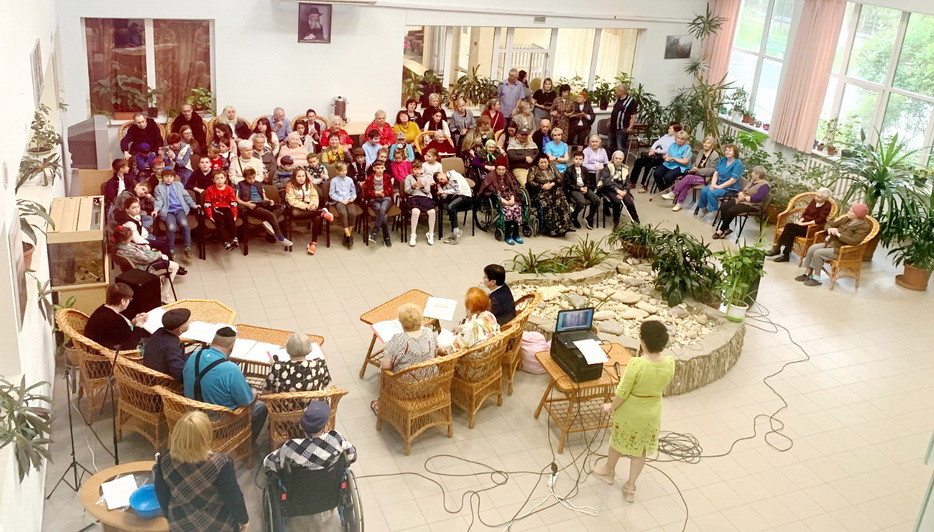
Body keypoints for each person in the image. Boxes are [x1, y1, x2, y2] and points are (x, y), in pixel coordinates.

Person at [594, 320, 676, 503]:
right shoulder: (669, 363)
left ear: (643, 341)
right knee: (641, 449)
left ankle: (609, 471)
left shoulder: (636, 364)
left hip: (631, 410)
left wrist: (610, 407)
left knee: (617, 441)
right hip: (652, 411)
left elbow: (622, 393)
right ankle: (630, 486)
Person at [153, 411, 249, 532]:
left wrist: (169, 517)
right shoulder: (221, 463)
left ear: (176, 435)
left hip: (181, 522)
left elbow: (161, 493)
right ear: (206, 437)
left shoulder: (164, 459)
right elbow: (232, 497)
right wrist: (244, 519)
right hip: (216, 524)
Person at [183, 327, 268, 442]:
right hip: (218, 424)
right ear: (231, 348)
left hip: (192, 415)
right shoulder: (231, 369)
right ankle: (247, 443)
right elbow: (246, 401)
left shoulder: (195, 355)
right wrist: (254, 392)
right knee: (260, 407)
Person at [373, 303, 440, 413]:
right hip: (431, 384)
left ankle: (380, 405)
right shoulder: (429, 333)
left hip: (405, 389)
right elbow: (436, 350)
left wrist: (384, 359)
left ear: (402, 323)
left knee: (382, 370)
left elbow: (386, 365)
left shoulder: (399, 339)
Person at [797, 204, 872, 287]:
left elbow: (855, 241)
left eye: (851, 211)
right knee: (812, 248)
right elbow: (830, 223)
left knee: (818, 253)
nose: (848, 212)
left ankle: (817, 278)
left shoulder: (864, 227)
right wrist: (830, 228)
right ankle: (807, 273)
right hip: (831, 243)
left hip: (842, 250)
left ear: (857, 215)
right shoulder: (846, 219)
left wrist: (838, 234)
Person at [111, 226, 185, 303]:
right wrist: (157, 254)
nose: (131, 239)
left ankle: (159, 286)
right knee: (175, 266)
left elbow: (139, 251)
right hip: (145, 269)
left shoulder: (120, 247)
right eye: (130, 238)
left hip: (141, 265)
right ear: (123, 240)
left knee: (165, 257)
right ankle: (163, 294)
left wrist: (149, 251)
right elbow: (146, 259)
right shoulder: (127, 250)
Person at [767, 188, 834, 263]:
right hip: (802, 225)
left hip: (811, 229)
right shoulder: (814, 201)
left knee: (789, 227)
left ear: (825, 199)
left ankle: (778, 248)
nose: (816, 198)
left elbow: (819, 220)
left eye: (819, 197)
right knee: (791, 232)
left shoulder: (827, 205)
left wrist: (803, 224)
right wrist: (800, 221)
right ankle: (785, 254)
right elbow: (805, 213)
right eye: (816, 195)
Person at [235, 167, 292, 249]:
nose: (252, 180)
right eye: (249, 178)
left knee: (281, 206)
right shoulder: (240, 184)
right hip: (251, 206)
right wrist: (246, 204)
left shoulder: (258, 184)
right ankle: (281, 238)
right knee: (269, 215)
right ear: (244, 177)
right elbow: (237, 199)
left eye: (253, 177)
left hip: (262, 203)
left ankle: (268, 222)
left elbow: (264, 197)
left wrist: (269, 201)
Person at [84, 282, 151, 351]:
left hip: (96, 348)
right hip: (110, 353)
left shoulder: (101, 310)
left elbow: (120, 332)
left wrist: (135, 321)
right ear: (123, 301)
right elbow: (131, 345)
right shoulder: (116, 321)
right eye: (129, 299)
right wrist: (139, 324)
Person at [662, 135, 721, 212]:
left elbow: (712, 170)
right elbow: (695, 163)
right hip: (695, 175)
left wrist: (697, 170)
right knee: (687, 183)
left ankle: (674, 193)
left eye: (708, 143)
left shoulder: (715, 156)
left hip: (706, 178)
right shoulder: (701, 152)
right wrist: (692, 169)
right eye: (704, 142)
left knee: (688, 178)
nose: (705, 144)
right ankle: (679, 204)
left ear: (712, 145)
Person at [713, 165, 771, 239]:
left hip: (753, 205)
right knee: (724, 206)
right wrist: (740, 192)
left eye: (753, 172)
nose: (751, 173)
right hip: (741, 200)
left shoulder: (765, 185)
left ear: (758, 175)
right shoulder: (752, 181)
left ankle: (721, 230)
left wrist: (747, 198)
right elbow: (742, 189)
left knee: (731, 211)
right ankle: (726, 228)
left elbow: (759, 198)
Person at [286, 167, 334, 255]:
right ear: (294, 177)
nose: (301, 178)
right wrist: (306, 206)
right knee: (295, 213)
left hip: (310, 207)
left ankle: (313, 243)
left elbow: (314, 196)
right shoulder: (290, 185)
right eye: (299, 176)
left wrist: (313, 204)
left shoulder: (310, 184)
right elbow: (292, 201)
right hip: (297, 207)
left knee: (317, 218)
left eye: (303, 176)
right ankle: (321, 212)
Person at [153, 170, 198, 260]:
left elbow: (186, 197)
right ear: (162, 178)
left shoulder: (178, 185)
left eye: (171, 177)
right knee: (171, 227)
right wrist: (156, 209)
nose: (168, 179)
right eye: (166, 177)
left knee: (184, 225)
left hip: (180, 210)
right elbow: (159, 200)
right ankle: (171, 249)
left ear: (174, 178)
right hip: (168, 211)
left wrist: (193, 205)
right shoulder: (159, 188)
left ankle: (187, 247)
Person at [264, 333, 331, 393]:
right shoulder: (320, 364)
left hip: (283, 403)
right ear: (309, 348)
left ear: (288, 348)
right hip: (314, 403)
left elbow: (266, 390)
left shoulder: (277, 367)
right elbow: (325, 382)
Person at [479, 162, 525, 245]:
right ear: (496, 169)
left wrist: (512, 199)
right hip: (498, 199)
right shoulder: (491, 177)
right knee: (508, 210)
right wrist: (505, 201)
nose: (501, 171)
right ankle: (507, 234)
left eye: (503, 169)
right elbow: (491, 192)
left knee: (517, 208)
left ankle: (516, 233)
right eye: (499, 169)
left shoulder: (508, 176)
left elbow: (513, 189)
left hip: (509, 198)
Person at [527, 154, 572, 237]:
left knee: (562, 203)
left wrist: (552, 184)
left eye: (545, 162)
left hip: (553, 189)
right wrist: (541, 186)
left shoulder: (552, 167)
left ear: (548, 162)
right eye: (541, 162)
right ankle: (551, 230)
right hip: (540, 191)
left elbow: (560, 178)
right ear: (538, 163)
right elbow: (530, 181)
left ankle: (564, 227)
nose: (543, 164)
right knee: (550, 204)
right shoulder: (534, 169)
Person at [629, 122, 682, 192]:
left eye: (670, 129)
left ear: (676, 131)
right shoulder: (666, 136)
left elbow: (668, 150)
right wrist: (652, 149)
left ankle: (645, 185)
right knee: (638, 162)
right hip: (654, 153)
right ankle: (632, 182)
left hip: (662, 157)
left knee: (648, 166)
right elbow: (657, 142)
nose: (668, 130)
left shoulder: (675, 140)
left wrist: (657, 151)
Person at [696, 144, 745, 218]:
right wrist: (713, 184)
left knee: (711, 193)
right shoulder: (723, 160)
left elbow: (732, 180)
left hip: (729, 188)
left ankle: (715, 213)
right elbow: (716, 173)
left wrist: (719, 187)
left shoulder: (738, 164)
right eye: (726, 150)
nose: (727, 152)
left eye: (730, 150)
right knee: (704, 190)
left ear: (734, 153)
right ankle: (704, 209)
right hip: (718, 184)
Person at [143, 308, 190, 382]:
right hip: (162, 380)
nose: (188, 323)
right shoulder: (171, 346)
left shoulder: (160, 331)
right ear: (180, 329)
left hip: (154, 369)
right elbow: (178, 373)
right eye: (186, 323)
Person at [451, 287, 501, 352]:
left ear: (470, 308)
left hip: (475, 356)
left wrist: (440, 348)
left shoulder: (469, 330)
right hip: (494, 352)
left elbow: (452, 350)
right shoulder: (489, 315)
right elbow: (479, 326)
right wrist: (462, 327)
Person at [599, 150, 640, 226]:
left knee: (629, 202)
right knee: (617, 202)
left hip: (622, 189)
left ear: (622, 159)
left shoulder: (625, 168)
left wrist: (624, 191)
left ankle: (636, 220)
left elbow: (628, 182)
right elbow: (606, 181)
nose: (618, 160)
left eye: (620, 159)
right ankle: (616, 222)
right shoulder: (608, 167)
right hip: (610, 188)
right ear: (613, 158)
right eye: (616, 158)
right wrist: (617, 190)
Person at [203, 170, 239, 251]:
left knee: (230, 220)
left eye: (221, 178)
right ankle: (226, 241)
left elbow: (233, 203)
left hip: (227, 208)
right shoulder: (210, 189)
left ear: (225, 178)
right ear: (213, 180)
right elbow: (207, 203)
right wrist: (210, 215)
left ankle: (234, 238)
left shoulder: (229, 189)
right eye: (217, 178)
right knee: (220, 222)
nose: (219, 180)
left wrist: (234, 214)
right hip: (216, 209)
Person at [403, 160, 437, 246]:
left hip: (424, 198)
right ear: (412, 170)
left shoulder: (426, 178)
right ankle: (413, 234)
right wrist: (412, 187)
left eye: (419, 169)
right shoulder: (408, 177)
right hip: (413, 198)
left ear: (422, 169)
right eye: (415, 169)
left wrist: (422, 186)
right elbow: (406, 191)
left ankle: (430, 233)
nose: (417, 171)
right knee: (415, 211)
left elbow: (428, 190)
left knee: (432, 212)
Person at [565, 152, 600, 230]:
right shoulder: (569, 170)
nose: (578, 161)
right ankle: (574, 216)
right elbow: (568, 184)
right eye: (576, 159)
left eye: (580, 159)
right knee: (581, 202)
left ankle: (590, 217)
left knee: (597, 200)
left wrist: (586, 187)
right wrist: (579, 188)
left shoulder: (584, 169)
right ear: (573, 159)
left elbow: (588, 182)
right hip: (575, 189)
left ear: (583, 160)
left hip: (584, 188)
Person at [434, 170, 472, 245]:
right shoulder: (445, 185)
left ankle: (456, 232)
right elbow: (444, 196)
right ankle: (455, 231)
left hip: (465, 196)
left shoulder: (454, 175)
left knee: (451, 206)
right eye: (440, 181)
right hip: (456, 197)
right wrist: (439, 188)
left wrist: (444, 192)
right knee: (449, 206)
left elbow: (457, 189)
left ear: (443, 173)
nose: (442, 181)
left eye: (442, 178)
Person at [364, 160, 395, 247]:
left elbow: (390, 189)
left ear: (384, 168)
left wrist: (383, 193)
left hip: (386, 198)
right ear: (374, 168)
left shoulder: (387, 177)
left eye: (382, 168)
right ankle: (386, 236)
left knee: (382, 209)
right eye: (378, 168)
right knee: (383, 215)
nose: (380, 170)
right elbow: (367, 191)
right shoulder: (369, 178)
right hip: (374, 199)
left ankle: (375, 231)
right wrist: (375, 194)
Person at [328, 162, 357, 248]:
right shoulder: (334, 181)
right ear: (337, 171)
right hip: (339, 201)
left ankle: (348, 234)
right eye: (342, 171)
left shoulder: (349, 180)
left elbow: (353, 191)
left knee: (352, 213)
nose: (344, 172)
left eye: (345, 170)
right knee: (343, 213)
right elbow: (331, 194)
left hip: (349, 200)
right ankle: (348, 235)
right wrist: (341, 200)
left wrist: (352, 198)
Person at [609, 85, 638, 154]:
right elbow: (614, 111)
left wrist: (630, 127)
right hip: (612, 127)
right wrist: (610, 120)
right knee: (610, 145)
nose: (615, 91)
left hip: (622, 128)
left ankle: (622, 160)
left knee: (621, 147)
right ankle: (611, 159)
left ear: (622, 92)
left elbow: (634, 115)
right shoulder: (617, 99)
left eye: (617, 90)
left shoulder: (631, 101)